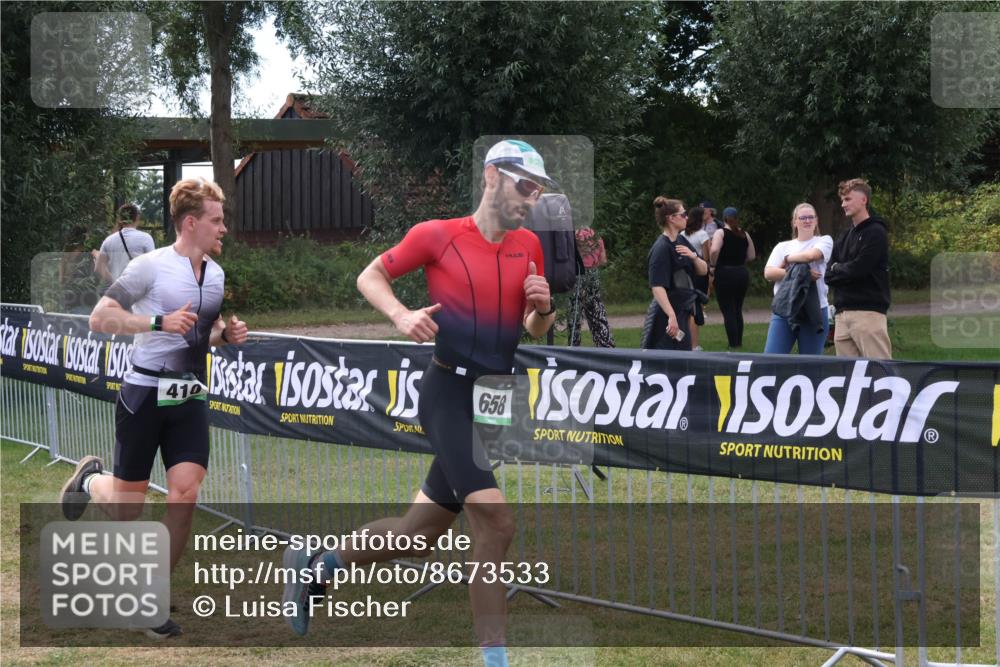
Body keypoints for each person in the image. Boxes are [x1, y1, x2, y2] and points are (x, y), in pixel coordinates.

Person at [282, 139, 556, 667]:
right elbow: (371, 275)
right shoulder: (438, 235)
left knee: (418, 534)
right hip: (449, 393)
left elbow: (530, 328)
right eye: (526, 184)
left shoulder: (530, 246)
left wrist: (543, 310)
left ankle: (317, 565)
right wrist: (402, 316)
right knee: (496, 525)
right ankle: (494, 660)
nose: (532, 197)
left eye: (539, 189)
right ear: (492, 177)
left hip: (493, 399)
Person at [59, 178, 249, 639]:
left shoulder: (217, 275)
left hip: (189, 397)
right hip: (144, 394)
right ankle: (90, 479)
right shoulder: (149, 267)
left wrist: (227, 335)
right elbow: (99, 317)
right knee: (128, 509)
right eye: (216, 220)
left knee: (185, 494)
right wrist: (155, 321)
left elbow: (205, 329)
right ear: (191, 223)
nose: (224, 228)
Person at [826, 178, 892, 359]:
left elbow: (860, 269)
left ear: (864, 200)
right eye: (842, 200)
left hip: (868, 313)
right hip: (841, 314)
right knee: (849, 378)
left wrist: (838, 268)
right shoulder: (844, 236)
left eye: (848, 199)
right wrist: (841, 269)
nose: (843, 204)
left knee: (880, 372)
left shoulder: (876, 232)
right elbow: (828, 276)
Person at [763, 203, 834, 354]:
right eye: (802, 218)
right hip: (784, 308)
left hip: (814, 310)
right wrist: (802, 276)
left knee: (811, 366)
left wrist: (788, 259)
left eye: (811, 217)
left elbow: (811, 256)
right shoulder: (782, 246)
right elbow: (769, 273)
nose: (807, 221)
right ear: (794, 222)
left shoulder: (824, 241)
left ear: (816, 221)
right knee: (771, 361)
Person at [641, 198, 709, 351]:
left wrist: (694, 257)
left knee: (683, 357)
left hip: (681, 311)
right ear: (671, 218)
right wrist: (671, 317)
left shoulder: (681, 240)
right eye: (683, 214)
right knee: (663, 363)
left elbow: (704, 270)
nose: (687, 218)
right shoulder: (661, 248)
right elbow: (657, 286)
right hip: (666, 315)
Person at [709, 206, 756, 350]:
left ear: (724, 218)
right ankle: (738, 342)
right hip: (741, 273)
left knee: (728, 309)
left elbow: (715, 249)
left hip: (725, 274)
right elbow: (752, 255)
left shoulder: (720, 232)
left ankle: (733, 344)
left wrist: (712, 263)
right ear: (737, 218)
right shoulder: (744, 234)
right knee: (737, 309)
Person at [568, 226, 615, 348]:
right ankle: (605, 344)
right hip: (593, 275)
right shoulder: (595, 235)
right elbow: (603, 260)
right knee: (596, 308)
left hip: (577, 274)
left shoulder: (572, 235)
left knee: (575, 311)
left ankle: (574, 345)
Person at [96, 203, 155, 287]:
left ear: (120, 219)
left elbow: (98, 268)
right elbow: (152, 266)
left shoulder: (108, 240)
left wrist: (113, 281)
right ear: (137, 218)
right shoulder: (146, 238)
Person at [681, 205, 712, 351]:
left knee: (684, 306)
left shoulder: (682, 234)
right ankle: (694, 344)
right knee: (695, 309)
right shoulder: (703, 235)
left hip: (685, 273)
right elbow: (707, 257)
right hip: (699, 271)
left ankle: (683, 340)